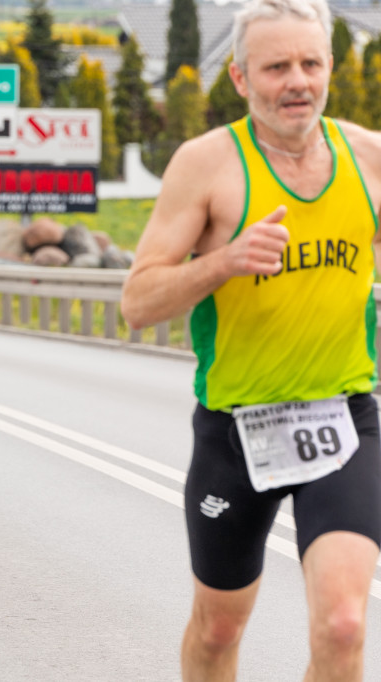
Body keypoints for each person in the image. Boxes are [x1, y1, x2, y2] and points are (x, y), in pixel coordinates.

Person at [121, 0, 381, 679]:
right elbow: (137, 302)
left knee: (345, 620)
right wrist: (224, 262)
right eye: (276, 67)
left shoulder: (370, 159)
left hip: (342, 418)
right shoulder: (206, 165)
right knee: (217, 631)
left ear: (328, 68)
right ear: (239, 78)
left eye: (310, 63)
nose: (297, 80)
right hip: (236, 430)